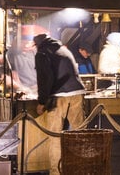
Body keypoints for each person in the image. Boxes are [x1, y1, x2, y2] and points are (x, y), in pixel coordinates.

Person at [33, 33, 86, 175]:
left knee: (55, 136)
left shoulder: (42, 53)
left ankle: (56, 172)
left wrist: (42, 101)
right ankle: (82, 168)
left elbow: (44, 79)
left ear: (38, 45)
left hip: (57, 97)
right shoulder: (63, 49)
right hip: (76, 93)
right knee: (80, 133)